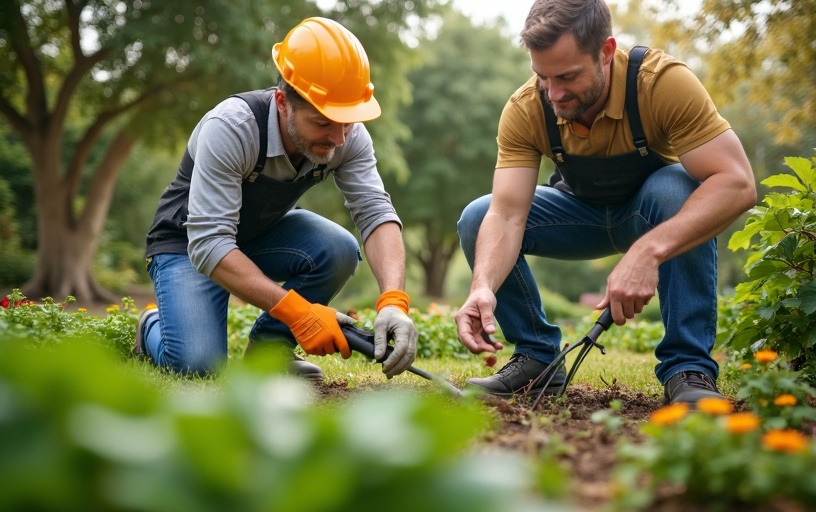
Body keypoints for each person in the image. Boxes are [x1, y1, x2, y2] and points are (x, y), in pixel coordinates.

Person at [454, 0, 756, 405]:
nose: (553, 93)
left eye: (567, 76)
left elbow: (736, 183)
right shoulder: (526, 108)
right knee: (478, 216)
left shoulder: (661, 83)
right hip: (578, 216)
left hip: (650, 213)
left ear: (606, 52)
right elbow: (507, 214)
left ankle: (689, 369)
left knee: (679, 188)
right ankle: (537, 359)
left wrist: (648, 250)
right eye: (542, 76)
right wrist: (483, 287)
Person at [134, 17, 418, 380]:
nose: (339, 139)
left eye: (347, 122)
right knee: (198, 366)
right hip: (188, 243)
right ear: (283, 102)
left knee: (338, 249)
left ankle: (269, 353)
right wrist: (299, 313)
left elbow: (376, 212)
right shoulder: (232, 128)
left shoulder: (347, 134)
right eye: (322, 122)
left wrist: (393, 300)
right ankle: (152, 327)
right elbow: (208, 244)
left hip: (256, 236)